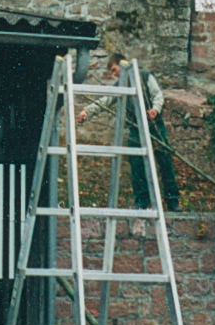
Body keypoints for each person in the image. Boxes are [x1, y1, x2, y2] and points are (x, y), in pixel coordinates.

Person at [76, 52, 180, 210]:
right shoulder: (119, 86)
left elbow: (157, 94)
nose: (114, 74)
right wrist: (87, 111)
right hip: (135, 128)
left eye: (114, 69)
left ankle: (173, 202)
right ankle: (142, 202)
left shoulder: (145, 76)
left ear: (122, 64)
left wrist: (155, 110)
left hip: (155, 126)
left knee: (165, 162)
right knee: (137, 165)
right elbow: (106, 100)